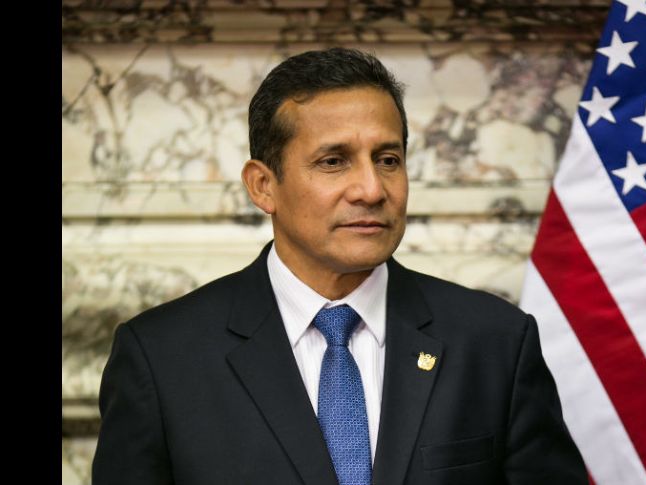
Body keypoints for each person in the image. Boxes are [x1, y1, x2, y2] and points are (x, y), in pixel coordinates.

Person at [92, 47, 588, 485]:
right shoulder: (161, 358)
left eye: (388, 159)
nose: (372, 189)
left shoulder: (495, 343)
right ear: (263, 186)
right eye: (334, 161)